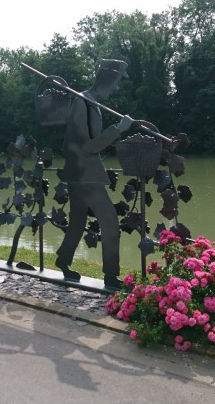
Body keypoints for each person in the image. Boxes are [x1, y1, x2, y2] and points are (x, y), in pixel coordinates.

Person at [54, 60, 136, 289]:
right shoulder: (82, 103)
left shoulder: (91, 103)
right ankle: (110, 276)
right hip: (84, 174)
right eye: (116, 83)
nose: (116, 88)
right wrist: (118, 129)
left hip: (80, 173)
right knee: (110, 222)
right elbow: (88, 146)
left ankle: (63, 259)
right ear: (107, 80)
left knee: (78, 221)